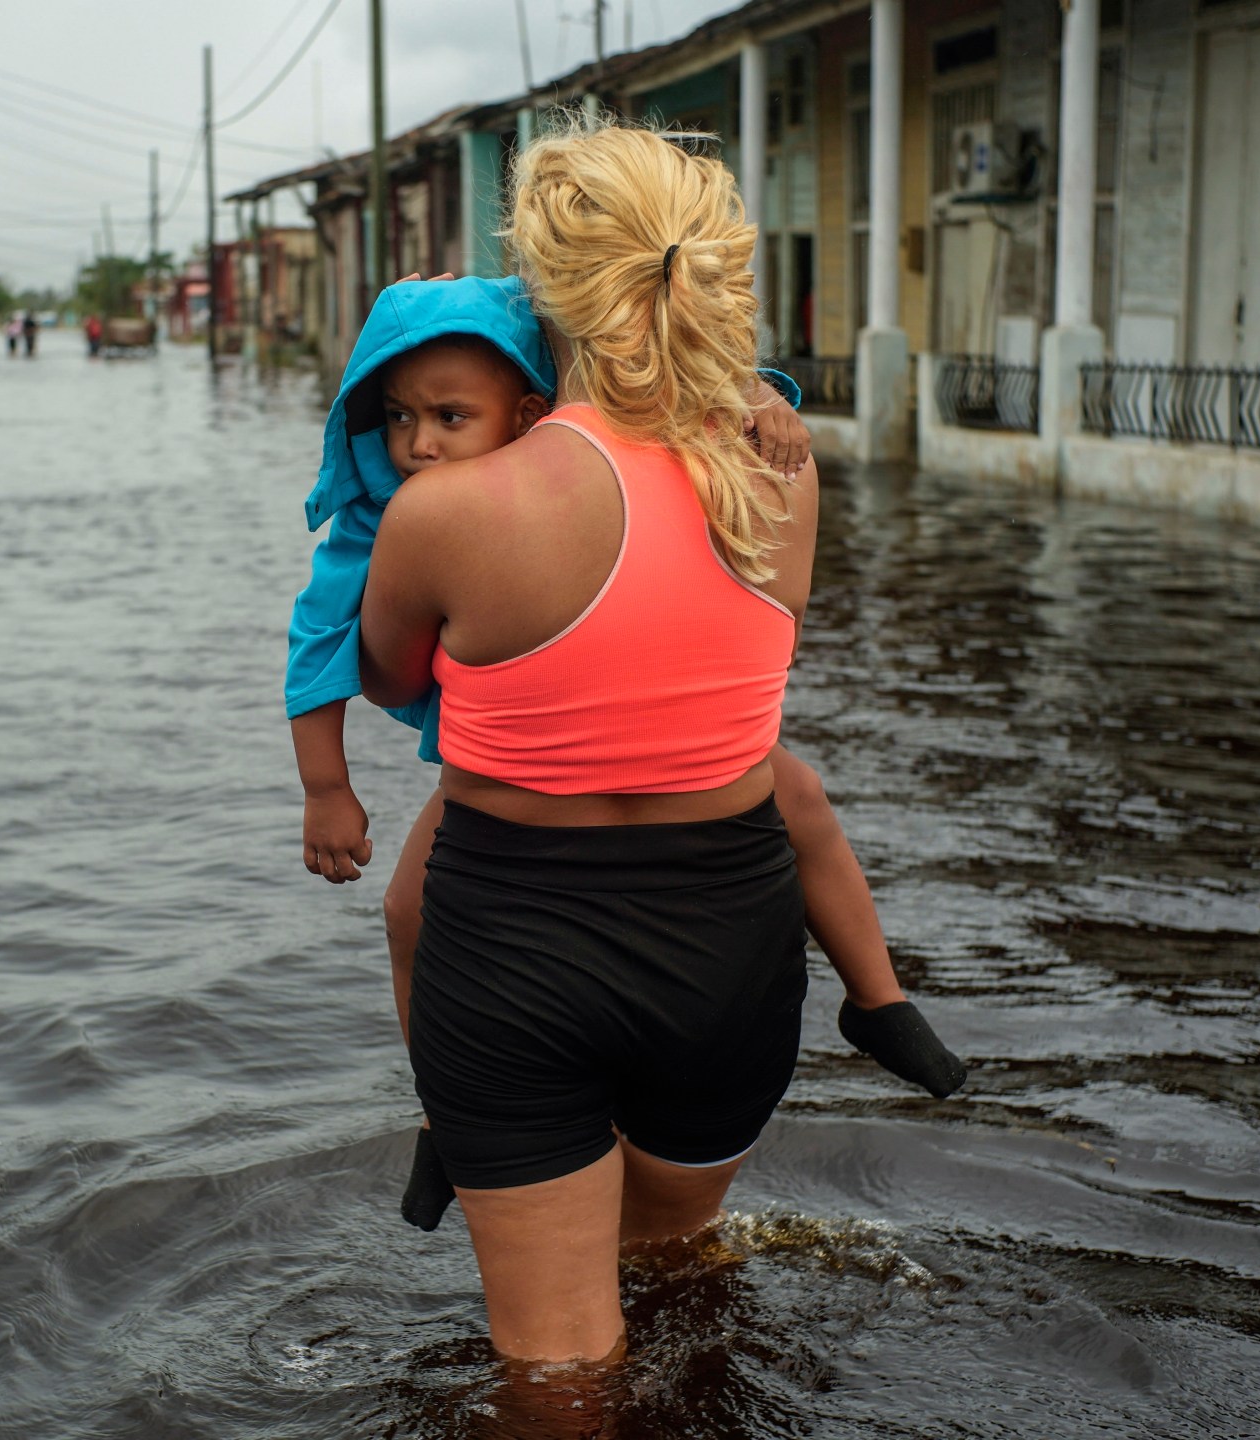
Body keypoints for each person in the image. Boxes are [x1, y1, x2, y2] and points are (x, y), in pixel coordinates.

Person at [354, 114, 963, 1364]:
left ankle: (446, 1132)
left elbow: (384, 673)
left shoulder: (447, 507)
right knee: (678, 1274)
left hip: (513, 941)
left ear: (546, 295)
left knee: (558, 1363)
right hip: (727, 940)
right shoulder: (775, 475)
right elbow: (747, 657)